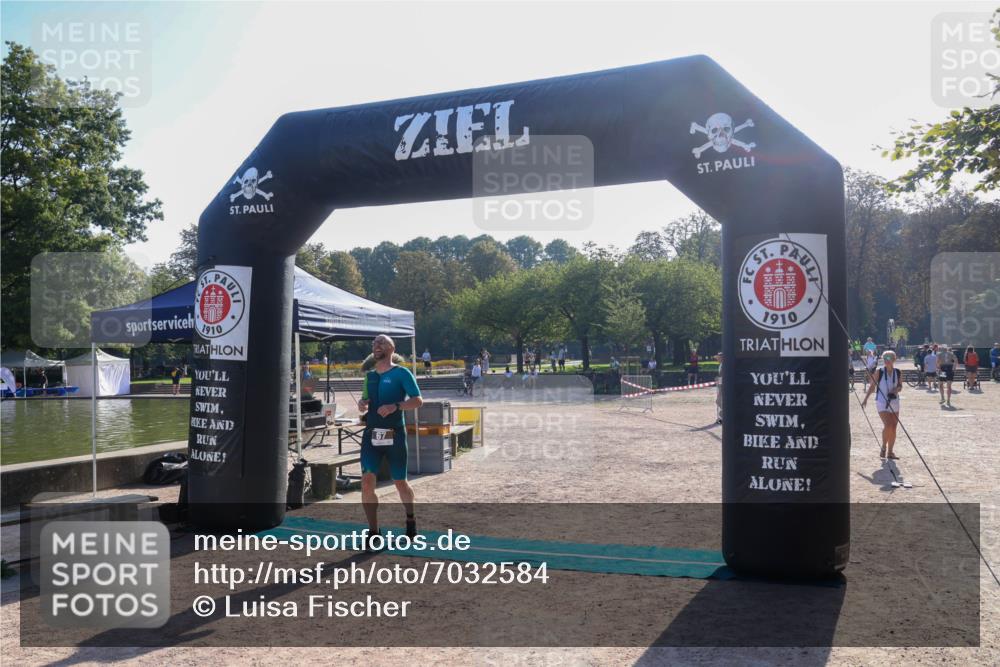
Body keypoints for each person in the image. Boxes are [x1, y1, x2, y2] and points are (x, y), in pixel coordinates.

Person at [356, 334, 424, 546]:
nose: (377, 346)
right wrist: (362, 403)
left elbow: (418, 400)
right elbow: (366, 399)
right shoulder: (370, 377)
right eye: (374, 343)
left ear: (392, 348)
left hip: (394, 434)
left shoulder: (401, 373)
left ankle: (410, 518)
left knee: (399, 482)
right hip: (372, 435)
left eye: (381, 343)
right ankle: (374, 531)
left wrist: (396, 406)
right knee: (367, 482)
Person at [861, 350, 902, 459]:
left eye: (888, 358)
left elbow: (900, 386)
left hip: (894, 402)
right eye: (884, 358)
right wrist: (865, 399)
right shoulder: (880, 371)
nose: (886, 360)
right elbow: (872, 386)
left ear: (894, 359)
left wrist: (896, 390)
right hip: (881, 402)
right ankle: (883, 447)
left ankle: (890, 452)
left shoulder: (898, 372)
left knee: (893, 427)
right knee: (888, 425)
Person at [715, 352, 723, 424]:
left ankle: (723, 416)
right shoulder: (720, 365)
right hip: (721, 385)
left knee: (719, 401)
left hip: (723, 386)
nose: (717, 359)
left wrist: (718, 378)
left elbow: (722, 375)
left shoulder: (724, 365)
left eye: (718, 357)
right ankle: (722, 416)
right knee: (719, 401)